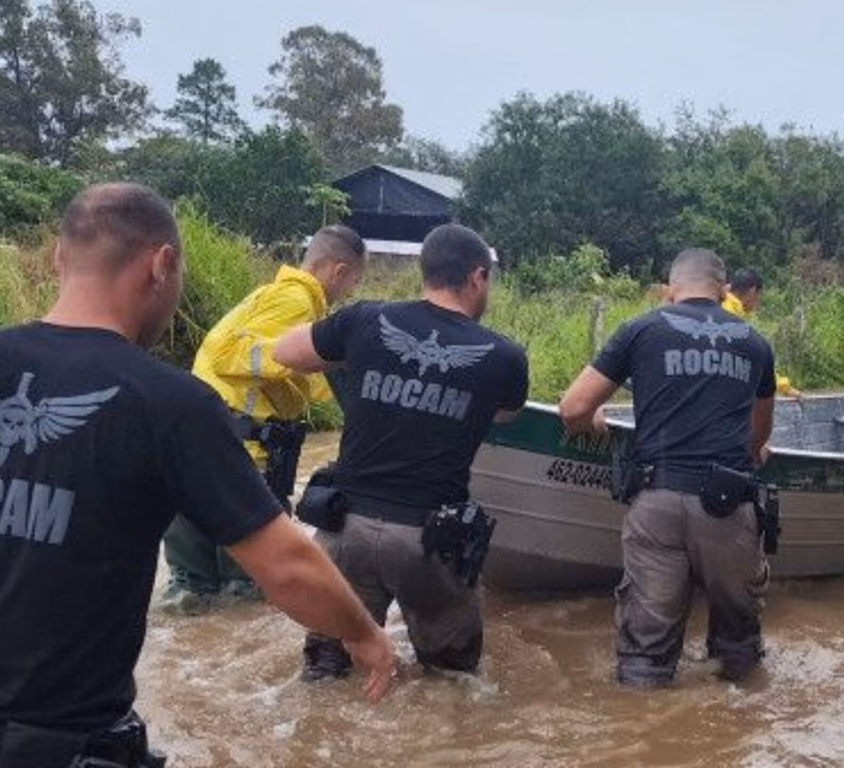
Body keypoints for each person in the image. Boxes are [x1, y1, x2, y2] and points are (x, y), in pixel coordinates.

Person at [0, 183, 395, 767]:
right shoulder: (168, 403)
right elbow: (287, 569)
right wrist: (365, 635)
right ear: (161, 266)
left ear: (59, 256)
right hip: (62, 743)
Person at [274, 223, 528, 681]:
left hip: (344, 528)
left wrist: (352, 357)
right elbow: (505, 415)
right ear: (477, 277)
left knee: (326, 671)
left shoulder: (366, 320)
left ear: (424, 272)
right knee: (453, 680)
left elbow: (284, 351)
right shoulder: (503, 356)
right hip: (428, 540)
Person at [559, 248, 776, 687]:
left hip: (656, 501)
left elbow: (573, 408)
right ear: (724, 289)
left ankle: (645, 730)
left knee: (645, 655)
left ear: (670, 287)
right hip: (727, 505)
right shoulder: (754, 343)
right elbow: (759, 436)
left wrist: (595, 425)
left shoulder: (640, 329)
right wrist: (751, 450)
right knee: (739, 648)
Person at [161, 224, 366, 610]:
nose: (349, 293)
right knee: (249, 595)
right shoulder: (298, 302)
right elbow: (231, 353)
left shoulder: (271, 294)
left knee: (191, 593)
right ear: (338, 272)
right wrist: (304, 357)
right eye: (353, 282)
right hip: (242, 455)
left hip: (199, 453)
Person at [721, 267, 801, 397]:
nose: (758, 302)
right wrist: (785, 388)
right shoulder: (732, 316)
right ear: (753, 291)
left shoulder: (720, 304)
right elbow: (758, 361)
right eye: (759, 295)